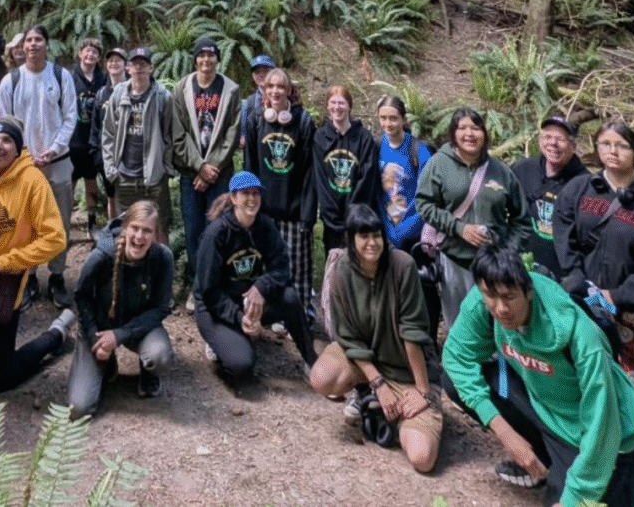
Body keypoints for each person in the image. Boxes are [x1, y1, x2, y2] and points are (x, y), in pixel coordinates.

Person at [443, 245, 634, 507]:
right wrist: (505, 432)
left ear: (528, 291)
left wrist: (573, 497)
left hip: (588, 423)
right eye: (491, 296)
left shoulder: (579, 335)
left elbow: (601, 420)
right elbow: (456, 357)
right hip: (540, 399)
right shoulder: (485, 301)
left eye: (509, 297)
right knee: (454, 382)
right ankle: (540, 454)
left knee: (587, 495)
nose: (500, 308)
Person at [553, 120, 634, 496]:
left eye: (621, 145)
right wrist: (576, 280)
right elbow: (565, 233)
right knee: (595, 390)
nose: (612, 151)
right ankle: (600, 474)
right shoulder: (582, 189)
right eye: (605, 144)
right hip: (589, 309)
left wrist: (618, 296)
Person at [309, 204, 441, 473]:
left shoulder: (402, 266)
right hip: (370, 364)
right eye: (363, 236)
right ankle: (368, 393)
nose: (372, 243)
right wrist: (378, 383)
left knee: (422, 458)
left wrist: (423, 391)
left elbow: (413, 334)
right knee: (321, 377)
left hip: (408, 371)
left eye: (376, 236)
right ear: (351, 240)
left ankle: (405, 407)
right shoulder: (342, 270)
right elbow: (346, 335)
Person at [0, 117, 76, 391]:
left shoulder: (32, 181)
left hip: (2, 285)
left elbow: (55, 239)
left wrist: (4, 262)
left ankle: (55, 334)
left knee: (3, 377)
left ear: (18, 149)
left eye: (7, 140)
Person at [193, 171, 317, 382]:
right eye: (245, 193)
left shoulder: (265, 226)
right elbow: (209, 292)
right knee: (242, 367)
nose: (252, 199)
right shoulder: (216, 234)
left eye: (256, 193)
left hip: (249, 301)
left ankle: (311, 361)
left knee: (290, 297)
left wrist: (261, 287)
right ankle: (220, 339)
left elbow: (282, 268)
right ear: (234, 198)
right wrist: (241, 319)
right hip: (215, 307)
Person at [415, 107, 532, 329]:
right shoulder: (440, 163)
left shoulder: (500, 171)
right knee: (459, 324)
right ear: (453, 134)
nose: (469, 133)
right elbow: (424, 204)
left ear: (485, 134)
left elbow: (522, 219)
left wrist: (506, 252)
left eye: (476, 128)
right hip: (455, 260)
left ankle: (497, 363)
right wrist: (459, 228)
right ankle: (459, 362)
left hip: (494, 266)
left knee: (496, 323)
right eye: (462, 128)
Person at [0, 24, 78, 309]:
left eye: (38, 39)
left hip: (58, 162)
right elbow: (6, 122)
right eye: (29, 40)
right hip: (23, 164)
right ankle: (28, 276)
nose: (33, 44)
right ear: (22, 46)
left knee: (61, 221)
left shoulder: (60, 75)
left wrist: (53, 149)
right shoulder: (12, 80)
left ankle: (57, 276)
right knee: (24, 222)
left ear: (47, 44)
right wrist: (24, 153)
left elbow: (70, 117)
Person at [68, 200, 174, 416]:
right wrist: (93, 338)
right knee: (79, 409)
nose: (139, 236)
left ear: (155, 235)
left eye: (147, 231)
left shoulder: (163, 258)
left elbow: (161, 308)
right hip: (98, 327)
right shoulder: (100, 257)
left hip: (140, 326)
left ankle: (148, 372)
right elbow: (82, 296)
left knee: (159, 356)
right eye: (135, 228)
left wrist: (119, 335)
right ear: (126, 228)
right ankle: (106, 365)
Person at [243, 67, 317, 323]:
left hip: (293, 211)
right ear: (264, 90)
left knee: (298, 268)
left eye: (280, 87)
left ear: (289, 91)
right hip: (264, 209)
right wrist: (249, 206)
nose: (275, 91)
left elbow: (310, 172)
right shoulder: (255, 118)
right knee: (267, 267)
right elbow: (250, 164)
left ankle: (300, 315)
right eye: (270, 86)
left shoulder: (304, 121)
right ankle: (271, 314)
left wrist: (307, 214)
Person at [171, 37, 240, 279]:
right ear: (195, 59)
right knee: (193, 229)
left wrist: (212, 169)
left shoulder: (230, 90)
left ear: (218, 60)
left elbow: (232, 132)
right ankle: (197, 282)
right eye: (201, 55)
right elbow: (177, 133)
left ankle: (218, 279)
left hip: (220, 174)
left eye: (211, 55)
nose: (206, 60)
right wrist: (200, 167)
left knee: (218, 227)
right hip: (191, 173)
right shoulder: (182, 88)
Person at [101, 47, 174, 242]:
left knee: (159, 228)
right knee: (126, 229)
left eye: (143, 64)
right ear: (128, 68)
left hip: (154, 178)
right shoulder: (118, 94)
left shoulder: (162, 96)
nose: (139, 68)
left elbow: (170, 135)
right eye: (134, 63)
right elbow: (108, 133)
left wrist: (165, 168)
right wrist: (111, 169)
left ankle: (160, 270)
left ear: (151, 68)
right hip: (124, 176)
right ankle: (124, 270)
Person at [510, 115, 588, 280]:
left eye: (560, 139)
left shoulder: (585, 184)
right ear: (540, 141)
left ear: (573, 146)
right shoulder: (523, 169)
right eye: (548, 137)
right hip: (520, 267)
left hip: (562, 275)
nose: (553, 143)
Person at [312, 86, 379, 253]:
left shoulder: (364, 138)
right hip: (331, 219)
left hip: (358, 218)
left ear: (349, 105)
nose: (337, 107)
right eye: (332, 103)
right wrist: (331, 216)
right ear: (327, 106)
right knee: (335, 267)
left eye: (341, 103)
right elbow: (321, 179)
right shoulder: (320, 138)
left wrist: (353, 214)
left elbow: (366, 178)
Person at [375, 95, 433, 252]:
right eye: (383, 118)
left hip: (413, 232)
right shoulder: (376, 146)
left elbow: (428, 194)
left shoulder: (419, 150)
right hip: (383, 229)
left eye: (393, 118)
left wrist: (402, 232)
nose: (387, 124)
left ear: (403, 119)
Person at [69, 38, 108, 235]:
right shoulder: (69, 77)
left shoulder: (103, 79)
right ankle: (64, 225)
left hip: (93, 140)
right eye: (87, 51)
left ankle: (92, 224)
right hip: (72, 139)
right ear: (80, 54)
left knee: (91, 183)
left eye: (95, 52)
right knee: (70, 184)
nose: (90, 55)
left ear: (99, 57)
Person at [90, 47, 128, 220]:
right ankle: (114, 235)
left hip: (130, 155)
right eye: (110, 61)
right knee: (112, 197)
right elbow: (95, 127)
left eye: (118, 60)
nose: (114, 64)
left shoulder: (134, 90)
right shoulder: (101, 94)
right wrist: (97, 154)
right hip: (107, 155)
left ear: (126, 65)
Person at [239, 54, 274, 149]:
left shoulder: (284, 98)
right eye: (257, 72)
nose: (261, 75)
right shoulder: (248, 103)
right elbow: (243, 138)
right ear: (253, 76)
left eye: (266, 71)